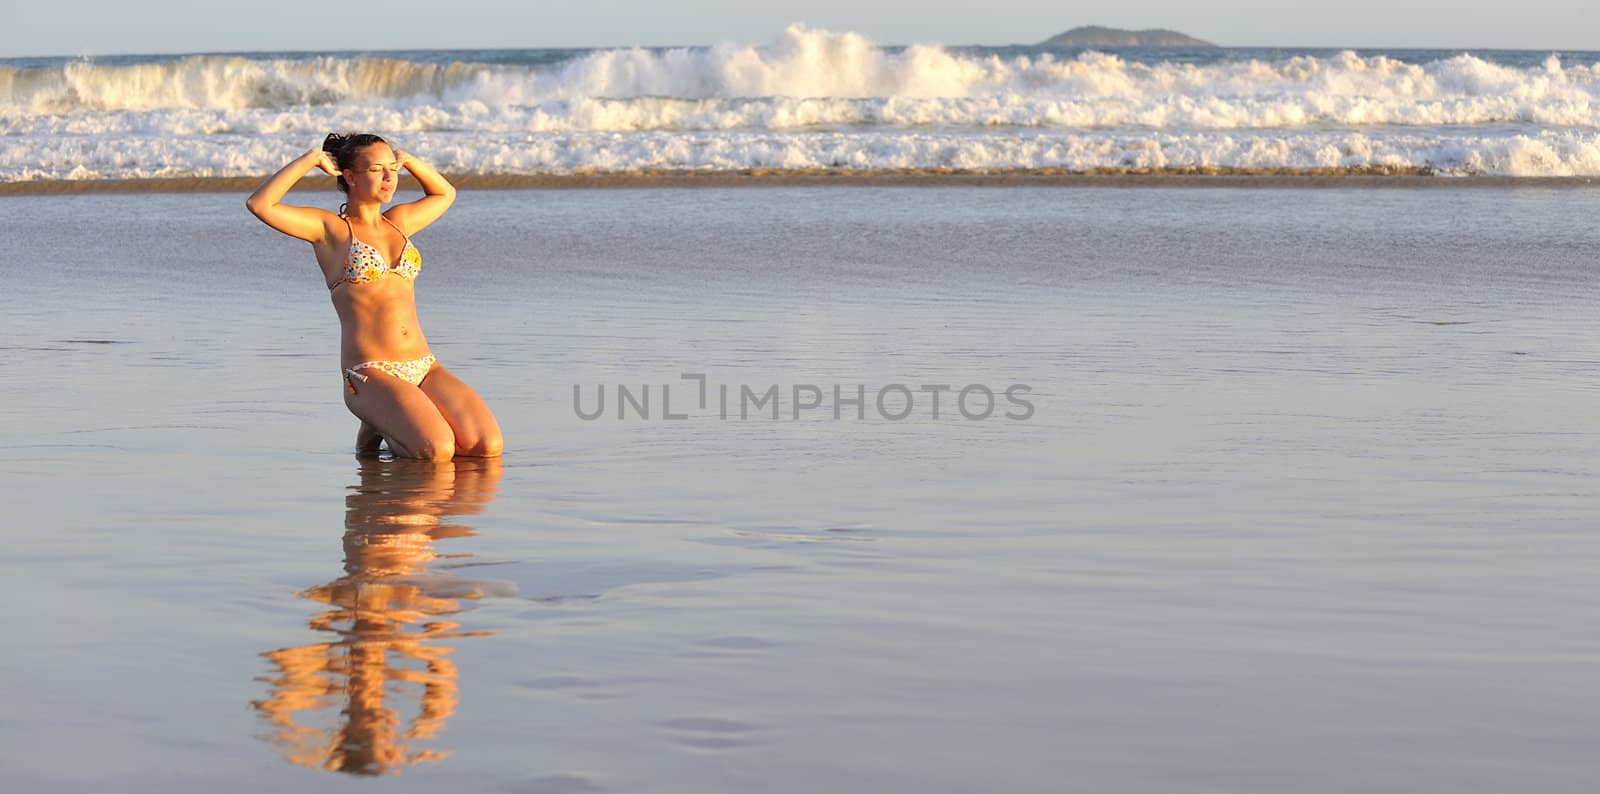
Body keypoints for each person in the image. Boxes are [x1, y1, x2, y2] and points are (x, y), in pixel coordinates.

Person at [246, 134, 502, 460]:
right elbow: (260, 204)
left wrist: (409, 160)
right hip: (369, 373)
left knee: (486, 448)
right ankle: (380, 422)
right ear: (350, 177)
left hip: (423, 366)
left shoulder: (399, 223)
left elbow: (444, 193)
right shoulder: (330, 231)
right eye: (376, 169)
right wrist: (311, 159)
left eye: (392, 170)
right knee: (437, 450)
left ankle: (386, 425)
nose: (388, 177)